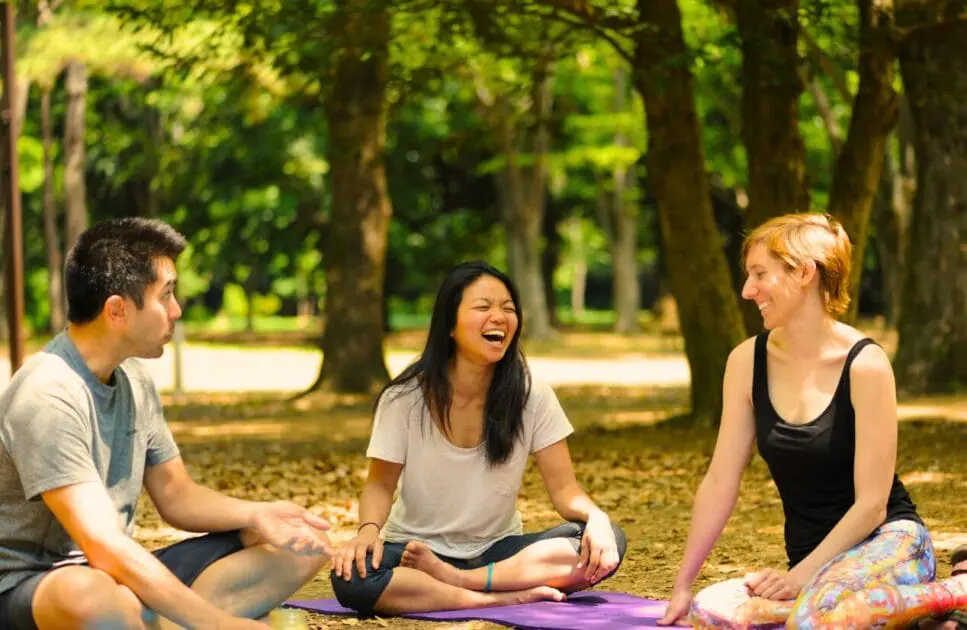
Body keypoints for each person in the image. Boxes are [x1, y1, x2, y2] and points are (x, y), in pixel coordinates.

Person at [0, 218, 332, 630]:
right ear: (117, 310)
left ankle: (159, 622)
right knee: (92, 597)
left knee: (301, 543)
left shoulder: (134, 379)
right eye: (167, 295)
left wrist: (259, 514)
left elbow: (177, 495)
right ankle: (181, 619)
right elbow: (101, 544)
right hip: (34, 586)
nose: (176, 310)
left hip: (116, 572)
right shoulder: (47, 393)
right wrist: (218, 624)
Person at [658, 213, 967, 629]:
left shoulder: (866, 364)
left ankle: (953, 592)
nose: (747, 290)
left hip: (889, 542)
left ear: (804, 272)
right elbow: (720, 479)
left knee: (814, 621)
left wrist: (799, 577)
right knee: (711, 612)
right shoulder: (746, 361)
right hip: (817, 565)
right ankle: (911, 618)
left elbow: (872, 505)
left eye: (759, 274)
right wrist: (683, 584)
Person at [330, 261, 627, 616]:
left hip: (499, 552)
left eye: (508, 308)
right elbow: (379, 485)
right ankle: (495, 598)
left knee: (607, 541)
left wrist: (595, 517)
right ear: (450, 325)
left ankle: (460, 582)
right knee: (351, 578)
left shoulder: (532, 395)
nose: (499, 317)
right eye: (483, 307)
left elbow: (565, 491)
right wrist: (366, 533)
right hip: (413, 552)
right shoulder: (405, 398)